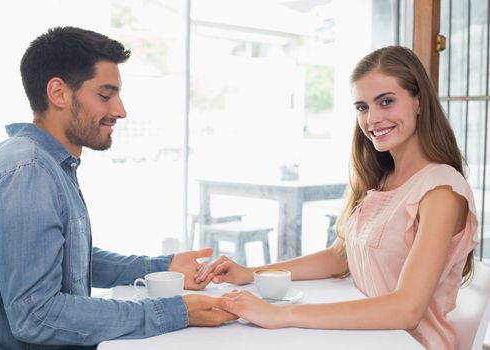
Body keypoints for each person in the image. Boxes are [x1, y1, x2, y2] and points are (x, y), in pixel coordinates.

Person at [0, 26, 236, 350]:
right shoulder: (28, 171)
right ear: (59, 93)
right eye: (105, 95)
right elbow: (37, 315)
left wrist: (162, 267)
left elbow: (63, 258)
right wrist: (175, 311)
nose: (120, 110)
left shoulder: (46, 164)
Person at [195, 46, 479, 350]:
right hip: (367, 338)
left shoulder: (441, 191)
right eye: (362, 107)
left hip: (409, 343)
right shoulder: (383, 179)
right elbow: (340, 257)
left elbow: (406, 309)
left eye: (386, 101)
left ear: (419, 101)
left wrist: (283, 314)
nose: (373, 119)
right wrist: (249, 273)